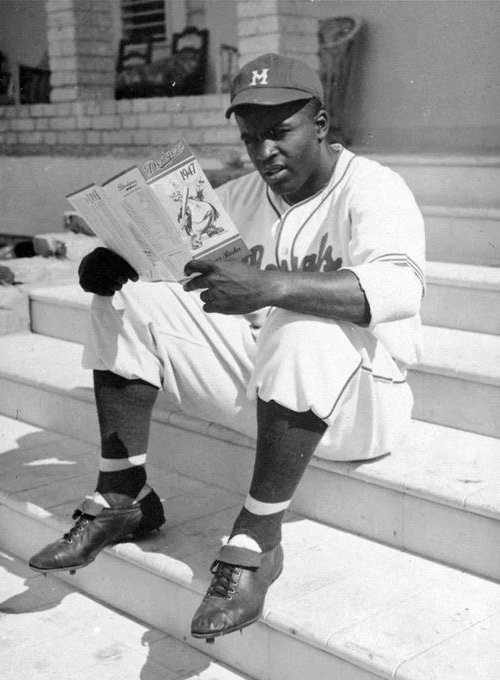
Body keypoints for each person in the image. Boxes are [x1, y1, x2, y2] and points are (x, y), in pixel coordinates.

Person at [29, 53, 425, 641]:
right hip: (273, 389)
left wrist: (271, 286)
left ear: (320, 123)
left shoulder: (374, 188)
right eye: (250, 137)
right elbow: (168, 273)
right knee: (129, 298)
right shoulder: (239, 198)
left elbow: (401, 288)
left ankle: (257, 539)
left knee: (300, 321)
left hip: (365, 404)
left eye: (279, 132)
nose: (264, 151)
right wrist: (117, 264)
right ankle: (124, 492)